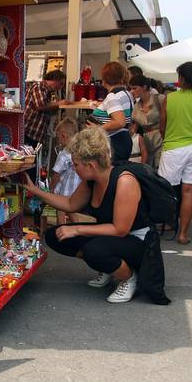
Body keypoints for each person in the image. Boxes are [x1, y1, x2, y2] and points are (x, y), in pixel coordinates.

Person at [24, 127, 152, 304]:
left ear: (91, 165)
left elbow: (120, 229)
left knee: (93, 250)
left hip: (136, 240)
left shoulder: (124, 181)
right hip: (111, 236)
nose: (74, 169)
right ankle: (109, 268)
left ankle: (129, 278)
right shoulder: (91, 180)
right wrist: (36, 191)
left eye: (76, 165)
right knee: (55, 236)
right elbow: (70, 204)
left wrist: (77, 229)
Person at [158, 61, 192, 245]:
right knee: (189, 191)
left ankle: (168, 223)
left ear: (180, 78)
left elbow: (162, 127)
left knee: (165, 189)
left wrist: (168, 138)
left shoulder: (170, 98)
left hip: (173, 148)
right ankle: (183, 233)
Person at [86, 61, 134, 162]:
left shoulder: (112, 96)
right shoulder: (126, 94)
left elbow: (120, 121)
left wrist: (98, 129)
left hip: (113, 142)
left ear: (105, 79)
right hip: (123, 140)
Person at [50, 117, 82, 225]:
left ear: (63, 136)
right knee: (71, 211)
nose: (58, 140)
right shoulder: (79, 150)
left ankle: (60, 229)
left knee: (60, 210)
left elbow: (56, 174)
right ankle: (77, 229)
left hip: (64, 190)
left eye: (58, 137)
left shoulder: (64, 154)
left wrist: (52, 187)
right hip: (77, 189)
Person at [24, 69, 67, 148]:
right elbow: (40, 106)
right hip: (28, 132)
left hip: (35, 133)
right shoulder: (38, 87)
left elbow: (46, 110)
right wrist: (59, 103)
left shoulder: (48, 93)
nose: (60, 87)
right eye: (60, 84)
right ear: (55, 80)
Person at [129, 74, 164, 168]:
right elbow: (134, 126)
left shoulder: (159, 99)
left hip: (161, 138)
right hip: (145, 141)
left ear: (144, 87)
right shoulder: (136, 105)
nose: (131, 91)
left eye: (134, 88)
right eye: (131, 88)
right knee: (147, 169)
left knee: (160, 168)